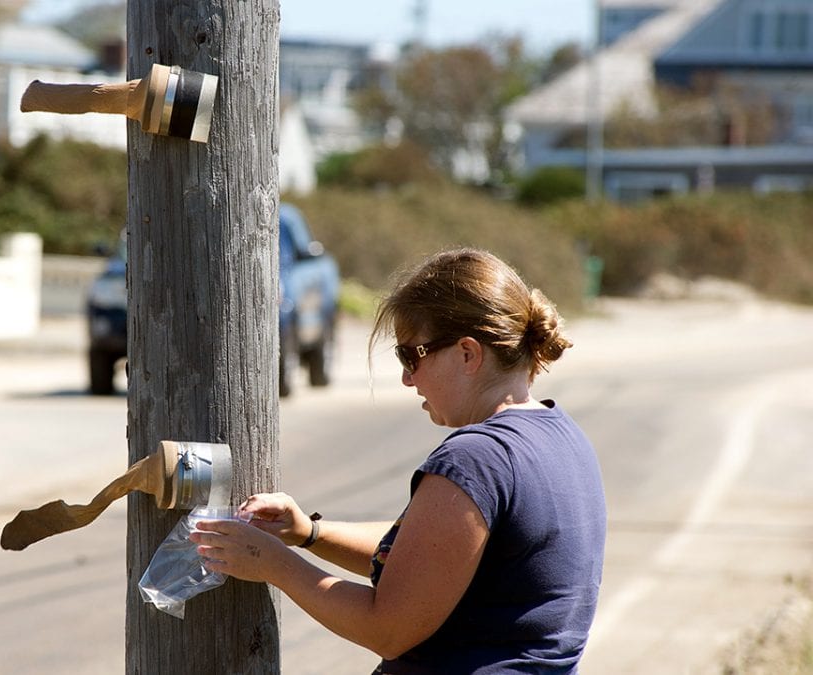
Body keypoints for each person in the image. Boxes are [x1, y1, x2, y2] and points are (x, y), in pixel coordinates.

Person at [191, 248, 607, 674]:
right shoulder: (562, 436)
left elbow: (388, 629)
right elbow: (433, 558)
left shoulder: (477, 458)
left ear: (468, 354)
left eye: (412, 355)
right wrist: (309, 533)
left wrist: (274, 564)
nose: (408, 377)